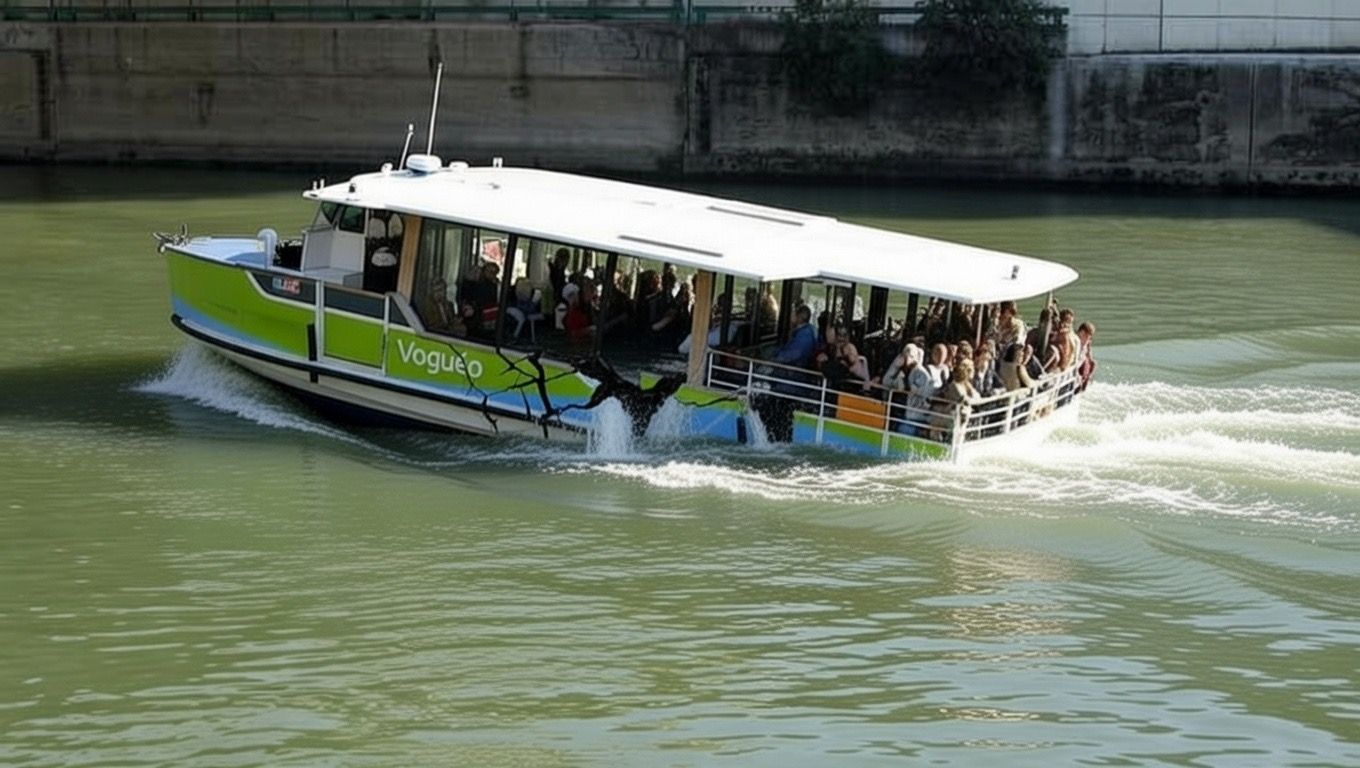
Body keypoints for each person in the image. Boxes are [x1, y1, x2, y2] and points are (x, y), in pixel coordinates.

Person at [1076, 321, 1097, 391]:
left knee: (1091, 363)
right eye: (1084, 335)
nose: (1086, 339)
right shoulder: (1074, 341)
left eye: (1088, 336)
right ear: (1079, 332)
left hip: (1081, 364)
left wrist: (1090, 374)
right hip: (1075, 365)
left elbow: (1090, 358)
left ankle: (1084, 384)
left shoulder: (1087, 343)